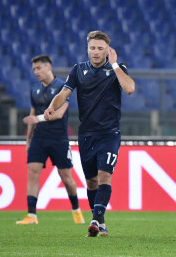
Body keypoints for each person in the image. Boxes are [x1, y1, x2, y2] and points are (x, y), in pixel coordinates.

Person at [45, 31, 135, 237]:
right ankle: (100, 222)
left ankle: (95, 219)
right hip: (86, 134)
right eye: (92, 48)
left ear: (107, 51)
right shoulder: (78, 69)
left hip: (109, 133)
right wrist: (52, 107)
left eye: (100, 48)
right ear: (88, 49)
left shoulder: (117, 69)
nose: (95, 52)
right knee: (91, 181)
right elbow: (64, 93)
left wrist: (114, 64)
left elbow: (130, 88)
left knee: (105, 176)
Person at [16, 55, 84, 225]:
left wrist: (37, 119)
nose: (36, 72)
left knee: (66, 178)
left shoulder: (62, 87)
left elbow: (59, 114)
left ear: (49, 67)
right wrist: (28, 140)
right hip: (39, 139)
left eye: (38, 68)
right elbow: (32, 114)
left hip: (58, 139)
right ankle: (31, 215)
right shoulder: (35, 89)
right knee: (32, 173)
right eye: (34, 69)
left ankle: (76, 210)